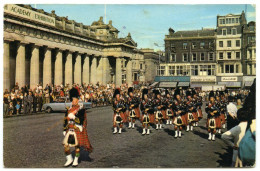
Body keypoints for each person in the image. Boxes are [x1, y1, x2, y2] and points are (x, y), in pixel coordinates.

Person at [62, 87, 93, 167]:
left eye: (74, 99)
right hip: (70, 129)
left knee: (77, 146)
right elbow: (65, 120)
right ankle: (69, 159)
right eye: (72, 100)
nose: (72, 101)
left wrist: (74, 117)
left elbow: (82, 120)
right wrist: (64, 129)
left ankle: (75, 159)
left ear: (77, 100)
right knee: (66, 146)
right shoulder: (69, 109)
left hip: (76, 128)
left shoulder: (81, 109)